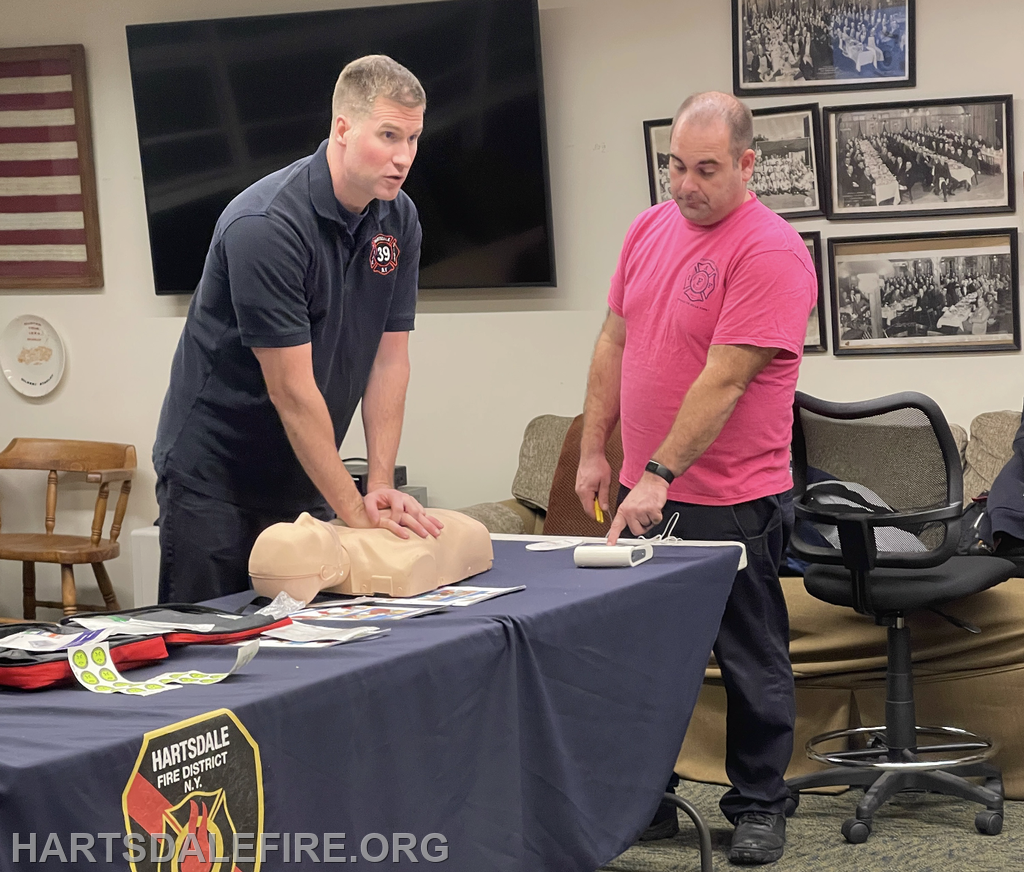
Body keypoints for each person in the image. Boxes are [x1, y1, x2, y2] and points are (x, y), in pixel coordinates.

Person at [575, 91, 817, 866]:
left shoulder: (770, 251)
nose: (685, 184)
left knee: (749, 660)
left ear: (749, 165)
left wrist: (658, 474)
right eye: (676, 165)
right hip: (649, 489)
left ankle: (758, 803)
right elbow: (613, 340)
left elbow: (724, 379)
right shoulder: (648, 228)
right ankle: (649, 801)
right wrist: (593, 449)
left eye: (706, 169)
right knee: (642, 657)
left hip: (732, 496)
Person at [153, 55, 441, 604]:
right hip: (216, 477)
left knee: (302, 644)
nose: (404, 157)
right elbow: (291, 390)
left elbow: (389, 361)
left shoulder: (399, 218)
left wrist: (378, 486)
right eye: (388, 135)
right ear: (342, 128)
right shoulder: (265, 226)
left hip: (303, 471)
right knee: (207, 645)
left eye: (413, 139)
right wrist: (356, 515)